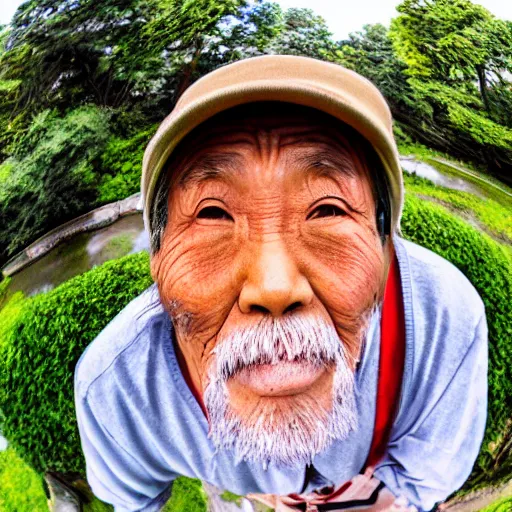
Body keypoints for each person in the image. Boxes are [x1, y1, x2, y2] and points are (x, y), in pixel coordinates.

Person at [74, 55, 488, 512]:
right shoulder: (114, 386)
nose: (273, 288)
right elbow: (133, 503)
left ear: (387, 245)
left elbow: (425, 482)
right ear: (156, 258)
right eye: (213, 214)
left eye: (328, 210)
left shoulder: (447, 319)